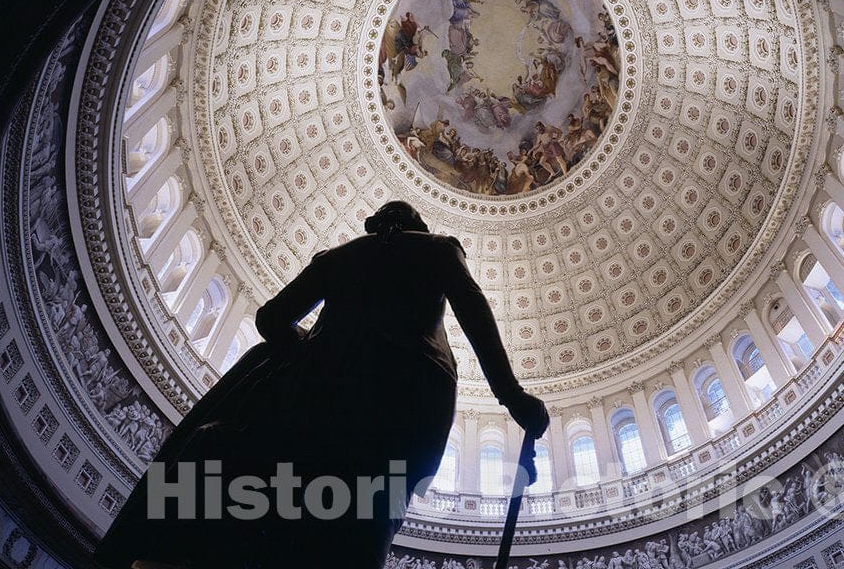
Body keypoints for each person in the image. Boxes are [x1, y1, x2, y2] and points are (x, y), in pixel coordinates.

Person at [96, 200, 549, 568]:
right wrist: (511, 396)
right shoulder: (437, 249)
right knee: (374, 514)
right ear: (418, 225)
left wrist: (310, 344)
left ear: (377, 227)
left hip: (319, 398)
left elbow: (270, 318)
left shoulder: (338, 258)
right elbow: (474, 313)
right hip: (408, 403)